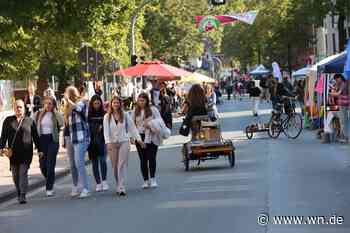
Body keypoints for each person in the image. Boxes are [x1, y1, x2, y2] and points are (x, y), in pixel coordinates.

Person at [0, 100, 42, 204]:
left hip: (26, 153)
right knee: (15, 175)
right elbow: (3, 136)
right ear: (14, 108)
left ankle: (23, 194)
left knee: (23, 173)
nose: (18, 109)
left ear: (24, 108)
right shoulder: (8, 121)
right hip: (13, 153)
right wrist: (1, 148)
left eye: (20, 107)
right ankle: (19, 191)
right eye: (16, 107)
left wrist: (40, 149)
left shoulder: (30, 121)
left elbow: (36, 137)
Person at [104, 96, 144, 196]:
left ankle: (121, 186)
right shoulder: (107, 117)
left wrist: (138, 139)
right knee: (114, 166)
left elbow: (132, 128)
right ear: (111, 104)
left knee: (121, 164)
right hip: (112, 143)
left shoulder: (125, 115)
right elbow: (106, 131)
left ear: (120, 104)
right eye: (114, 103)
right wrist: (108, 142)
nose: (116, 104)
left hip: (124, 141)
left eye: (117, 103)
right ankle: (118, 184)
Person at [63, 86, 91, 198]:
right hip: (72, 138)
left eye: (66, 94)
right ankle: (77, 186)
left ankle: (86, 188)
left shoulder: (82, 102)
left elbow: (78, 109)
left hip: (82, 137)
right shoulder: (67, 107)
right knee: (74, 163)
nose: (65, 96)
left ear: (71, 94)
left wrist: (68, 101)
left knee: (79, 162)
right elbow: (66, 125)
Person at [132, 93, 162, 189]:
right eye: (139, 100)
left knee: (152, 157)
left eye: (143, 100)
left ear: (147, 101)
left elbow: (160, 121)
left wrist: (150, 124)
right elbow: (132, 126)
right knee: (143, 159)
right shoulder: (135, 111)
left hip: (152, 135)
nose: (141, 102)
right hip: (140, 136)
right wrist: (134, 138)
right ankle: (145, 180)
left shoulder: (153, 110)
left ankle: (153, 179)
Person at [34, 97, 63, 197]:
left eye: (50, 103)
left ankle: (49, 187)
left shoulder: (56, 114)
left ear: (53, 105)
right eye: (46, 103)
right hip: (42, 140)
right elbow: (32, 125)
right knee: (43, 166)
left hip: (53, 140)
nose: (48, 105)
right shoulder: (38, 114)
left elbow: (62, 122)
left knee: (50, 164)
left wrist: (55, 112)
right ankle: (50, 179)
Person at [88, 95, 109, 192]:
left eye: (98, 103)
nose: (97, 105)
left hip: (102, 140)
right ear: (92, 104)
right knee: (94, 163)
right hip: (91, 141)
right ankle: (98, 183)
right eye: (95, 103)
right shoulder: (89, 115)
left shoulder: (104, 114)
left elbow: (107, 127)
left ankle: (104, 181)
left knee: (103, 161)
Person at [329, 74, 349, 143]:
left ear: (340, 78)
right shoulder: (340, 84)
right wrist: (336, 85)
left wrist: (330, 94)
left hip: (343, 105)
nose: (336, 81)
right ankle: (340, 135)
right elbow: (335, 91)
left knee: (343, 121)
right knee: (338, 119)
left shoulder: (344, 84)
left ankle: (345, 137)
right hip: (339, 105)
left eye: (337, 79)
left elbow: (338, 94)